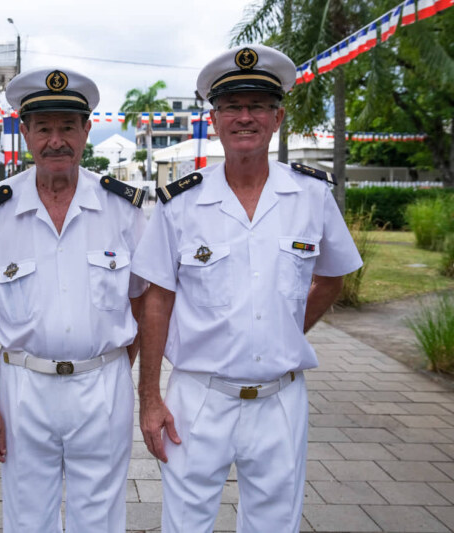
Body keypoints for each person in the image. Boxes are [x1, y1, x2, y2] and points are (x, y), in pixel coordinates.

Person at [131, 44, 363, 533]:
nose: (244, 117)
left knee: (275, 525)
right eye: (232, 107)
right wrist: (149, 397)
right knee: (184, 524)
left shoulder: (311, 195)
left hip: (280, 399)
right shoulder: (181, 203)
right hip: (197, 398)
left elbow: (332, 276)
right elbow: (157, 299)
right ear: (213, 120)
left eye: (257, 106)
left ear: (277, 117)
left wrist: (285, 330)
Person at [0, 67, 148, 532]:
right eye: (44, 128)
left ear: (86, 131)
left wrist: (116, 367)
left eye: (66, 127)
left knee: (99, 519)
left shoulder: (123, 209)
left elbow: (143, 302)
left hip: (102, 384)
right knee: (26, 519)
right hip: (23, 389)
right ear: (25, 132)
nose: (55, 140)